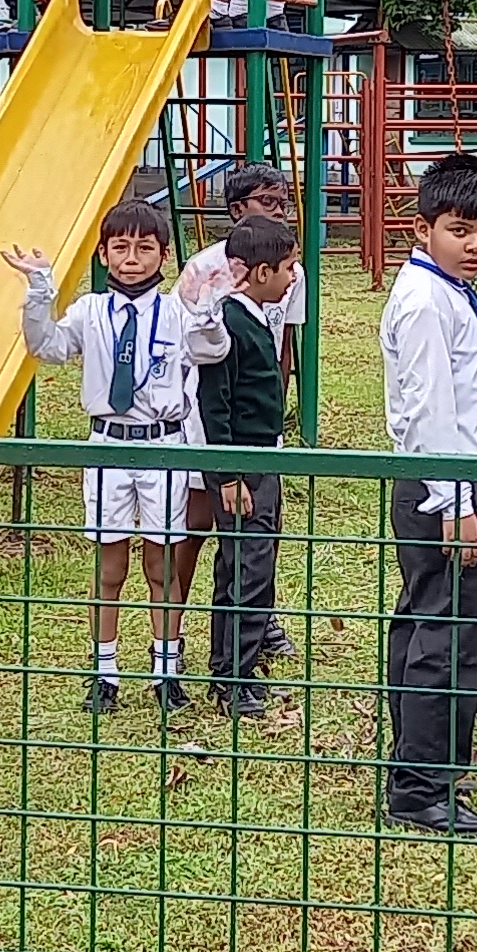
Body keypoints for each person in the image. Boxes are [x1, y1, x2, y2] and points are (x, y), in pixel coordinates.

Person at [10, 202, 226, 714]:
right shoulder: (89, 311)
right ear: (103, 254)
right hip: (108, 444)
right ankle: (104, 671)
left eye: (145, 248)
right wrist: (39, 289)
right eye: (121, 248)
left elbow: (212, 351)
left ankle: (165, 671)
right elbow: (47, 346)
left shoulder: (176, 312)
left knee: (162, 565)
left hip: (163, 446)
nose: (132, 259)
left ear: (163, 256)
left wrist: (205, 309)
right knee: (110, 566)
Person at [379, 153, 477, 836]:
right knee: (448, 638)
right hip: (447, 482)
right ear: (423, 229)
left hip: (460, 479)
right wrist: (457, 503)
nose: (474, 245)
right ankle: (422, 787)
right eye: (460, 231)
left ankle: (420, 766)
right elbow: (427, 411)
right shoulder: (423, 302)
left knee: (431, 624)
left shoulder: (456, 290)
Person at [192, 215, 301, 716]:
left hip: (261, 456)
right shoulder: (229, 324)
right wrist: (230, 475)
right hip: (242, 464)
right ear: (259, 273)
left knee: (249, 562)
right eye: (288, 267)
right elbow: (215, 404)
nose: (293, 276)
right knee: (247, 567)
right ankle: (232, 678)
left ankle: (238, 665)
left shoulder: (255, 317)